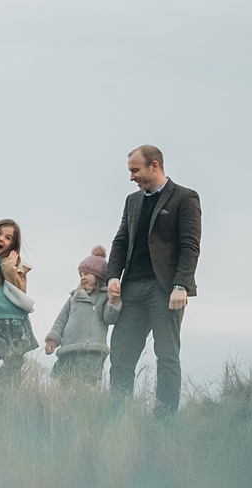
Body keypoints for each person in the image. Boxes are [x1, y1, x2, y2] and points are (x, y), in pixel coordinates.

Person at [104, 145, 200, 415]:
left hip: (166, 291)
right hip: (132, 289)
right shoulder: (132, 201)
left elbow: (190, 245)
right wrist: (113, 277)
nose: (132, 177)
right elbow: (121, 241)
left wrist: (181, 285)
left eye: (136, 170)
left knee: (166, 355)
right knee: (121, 354)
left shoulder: (185, 198)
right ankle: (118, 414)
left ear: (154, 165)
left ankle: (165, 417)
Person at [44, 246, 122, 385]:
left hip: (92, 350)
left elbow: (109, 318)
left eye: (86, 274)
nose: (82, 277)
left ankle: (85, 406)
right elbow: (61, 320)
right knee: (63, 383)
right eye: (80, 274)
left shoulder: (104, 297)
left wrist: (114, 303)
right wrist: (53, 340)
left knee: (83, 385)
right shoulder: (74, 297)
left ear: (98, 276)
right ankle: (60, 407)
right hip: (69, 348)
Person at [0, 219, 39, 375]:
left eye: (7, 238)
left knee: (15, 362)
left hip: (16, 320)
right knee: (9, 361)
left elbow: (20, 289)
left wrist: (8, 268)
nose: (0, 239)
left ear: (13, 245)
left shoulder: (15, 263)